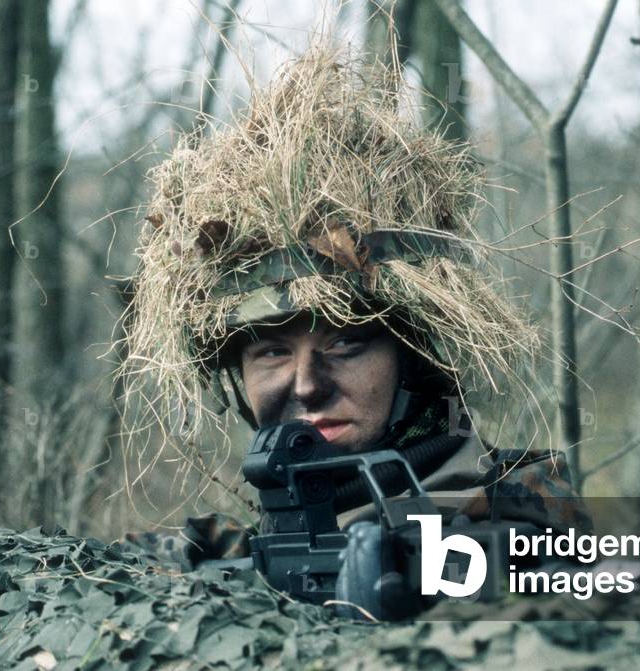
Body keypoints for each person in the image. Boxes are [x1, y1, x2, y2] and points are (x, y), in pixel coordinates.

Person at [119, 44, 590, 595]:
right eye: (271, 351)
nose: (307, 385)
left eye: (345, 344)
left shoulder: (523, 524)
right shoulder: (229, 552)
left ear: (419, 358)